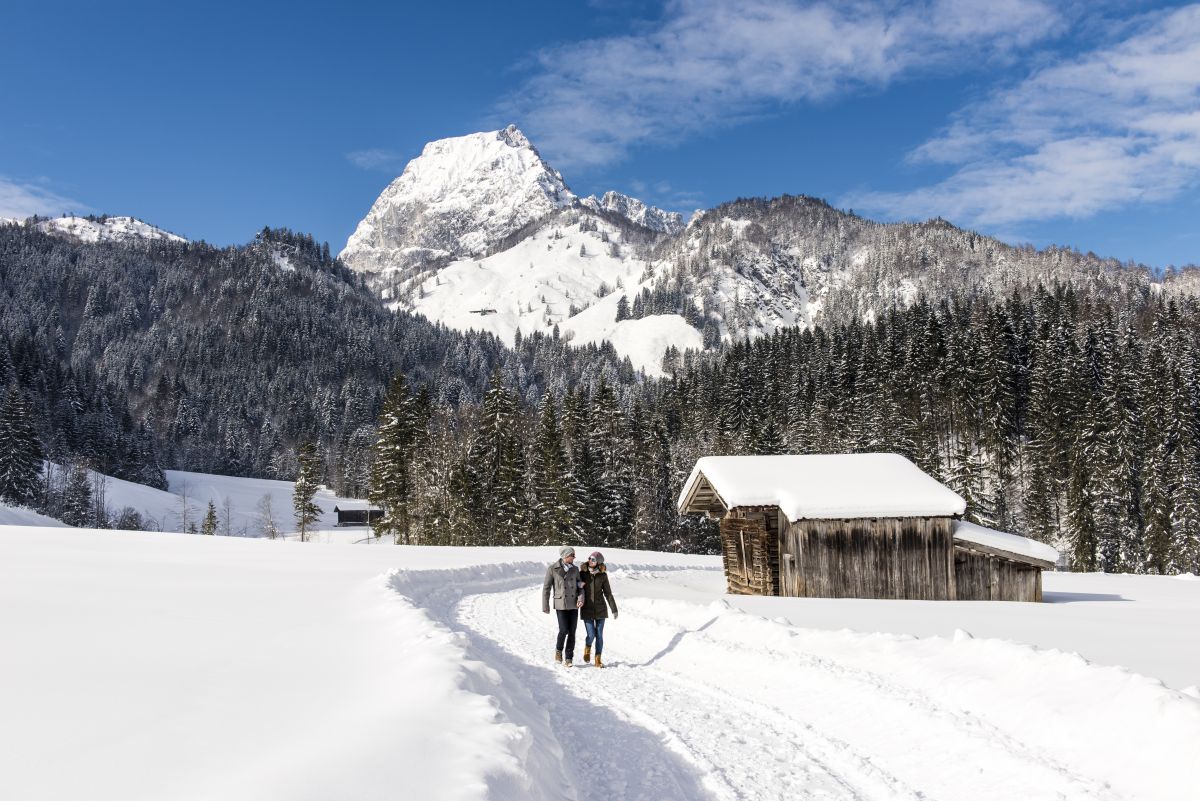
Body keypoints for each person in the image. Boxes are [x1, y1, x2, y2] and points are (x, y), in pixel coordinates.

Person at [542, 545, 583, 666]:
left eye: (574, 555)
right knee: (563, 630)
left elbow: (580, 586)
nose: (574, 557)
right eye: (572, 555)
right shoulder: (552, 569)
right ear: (565, 556)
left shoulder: (575, 569)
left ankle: (569, 658)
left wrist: (580, 598)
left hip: (574, 604)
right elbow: (546, 588)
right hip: (560, 604)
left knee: (572, 631)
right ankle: (559, 650)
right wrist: (545, 605)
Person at [579, 551, 618, 668]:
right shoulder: (582, 573)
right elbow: (576, 588)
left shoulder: (603, 575)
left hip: (601, 609)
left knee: (599, 635)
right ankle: (587, 647)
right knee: (591, 635)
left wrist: (614, 609)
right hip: (587, 609)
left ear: (598, 562)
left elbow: (608, 594)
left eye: (594, 559)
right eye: (590, 558)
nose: (591, 560)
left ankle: (598, 659)